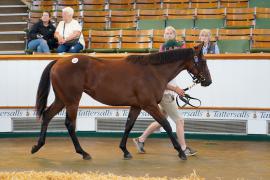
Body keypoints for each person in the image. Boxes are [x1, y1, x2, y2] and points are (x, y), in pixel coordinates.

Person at [133, 26, 197, 157]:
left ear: (174, 35)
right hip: (166, 94)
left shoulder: (171, 59)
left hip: (168, 92)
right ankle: (183, 148)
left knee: (161, 121)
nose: (168, 35)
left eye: (170, 33)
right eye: (166, 33)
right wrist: (176, 89)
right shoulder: (161, 60)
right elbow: (161, 81)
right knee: (179, 121)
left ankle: (140, 139)